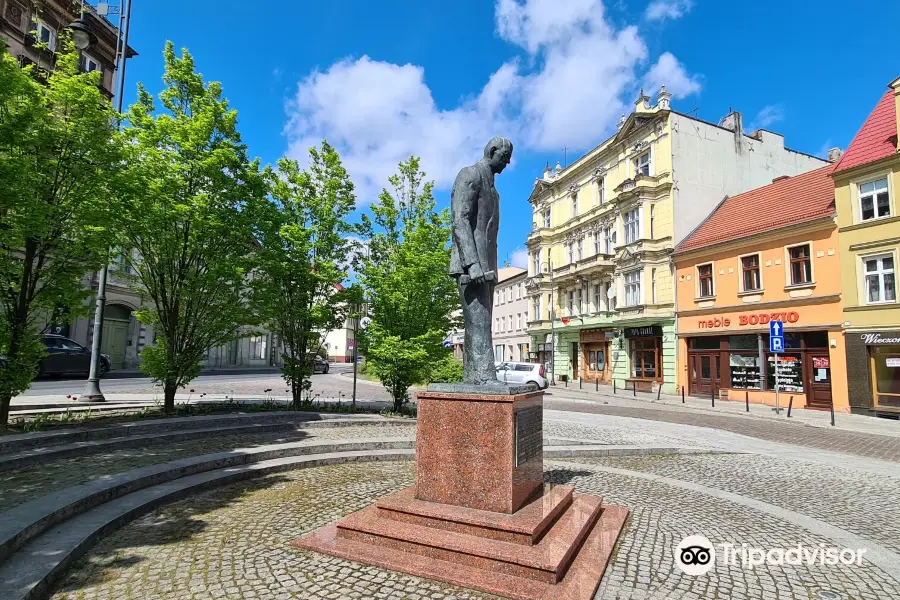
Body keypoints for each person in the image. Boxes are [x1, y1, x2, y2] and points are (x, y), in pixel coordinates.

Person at [449, 137, 513, 385]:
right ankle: (485, 377)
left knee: (479, 322)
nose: (507, 162)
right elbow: (460, 220)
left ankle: (473, 378)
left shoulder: (493, 190)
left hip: (486, 266)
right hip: (472, 266)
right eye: (505, 155)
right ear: (492, 151)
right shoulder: (470, 175)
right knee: (479, 321)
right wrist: (472, 264)